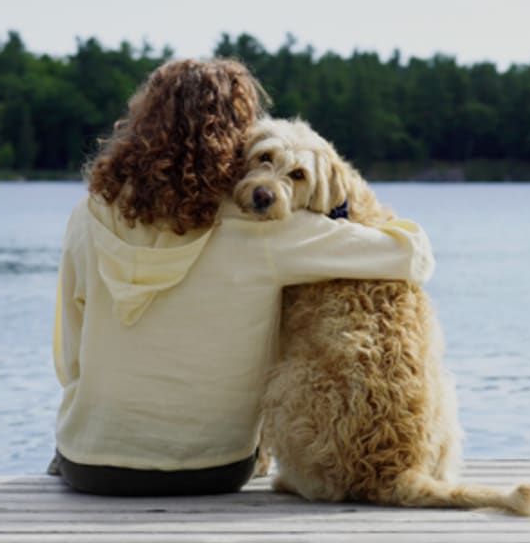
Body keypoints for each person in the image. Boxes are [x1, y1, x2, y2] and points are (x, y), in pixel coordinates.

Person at [50, 59, 435, 496]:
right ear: (236, 138)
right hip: (214, 468)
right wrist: (345, 200)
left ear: (141, 123)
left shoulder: (88, 214)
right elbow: (412, 257)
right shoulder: (266, 229)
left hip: (90, 464)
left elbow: (69, 355)